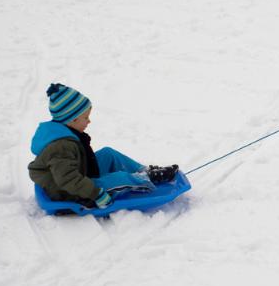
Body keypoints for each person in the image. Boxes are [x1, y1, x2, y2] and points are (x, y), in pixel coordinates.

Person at [28, 83, 179, 209]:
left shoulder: (65, 133)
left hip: (77, 176)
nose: (89, 121)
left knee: (108, 153)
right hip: (69, 191)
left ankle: (144, 171)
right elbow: (68, 180)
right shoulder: (60, 147)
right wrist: (96, 194)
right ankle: (146, 178)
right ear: (72, 120)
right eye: (85, 117)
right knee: (118, 178)